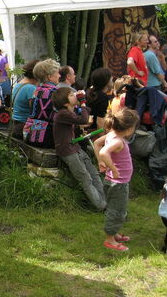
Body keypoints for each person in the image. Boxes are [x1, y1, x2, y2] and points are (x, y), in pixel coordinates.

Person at [52, 87, 106, 211]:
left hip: (75, 147)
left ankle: (105, 200)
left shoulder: (68, 112)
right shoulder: (62, 113)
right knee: (85, 178)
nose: (75, 95)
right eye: (71, 95)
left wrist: (82, 104)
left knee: (94, 174)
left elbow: (81, 120)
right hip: (67, 151)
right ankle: (101, 206)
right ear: (65, 103)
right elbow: (83, 120)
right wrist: (83, 103)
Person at [93, 108, 139, 252]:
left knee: (114, 208)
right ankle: (110, 240)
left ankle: (114, 233)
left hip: (113, 182)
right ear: (129, 129)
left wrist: (100, 162)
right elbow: (103, 151)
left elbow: (97, 143)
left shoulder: (111, 135)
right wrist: (113, 168)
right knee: (117, 211)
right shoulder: (118, 141)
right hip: (118, 184)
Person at [23, 58, 60, 149]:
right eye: (58, 73)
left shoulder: (36, 90)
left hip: (29, 134)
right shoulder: (55, 92)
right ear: (49, 77)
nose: (59, 75)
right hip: (45, 138)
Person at [10, 59, 39, 139]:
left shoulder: (18, 84)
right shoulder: (31, 88)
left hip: (15, 125)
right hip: (24, 127)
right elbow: (35, 110)